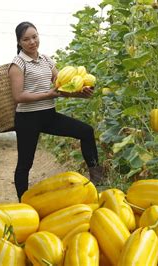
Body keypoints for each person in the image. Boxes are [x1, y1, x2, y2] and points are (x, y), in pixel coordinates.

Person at [8, 21, 104, 201]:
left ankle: (97, 178)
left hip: (48, 115)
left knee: (86, 131)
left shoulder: (46, 60)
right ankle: (23, 203)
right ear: (19, 42)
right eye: (26, 39)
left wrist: (82, 93)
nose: (32, 42)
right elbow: (18, 96)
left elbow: (61, 88)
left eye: (34, 37)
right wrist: (47, 94)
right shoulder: (18, 63)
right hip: (27, 118)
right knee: (25, 164)